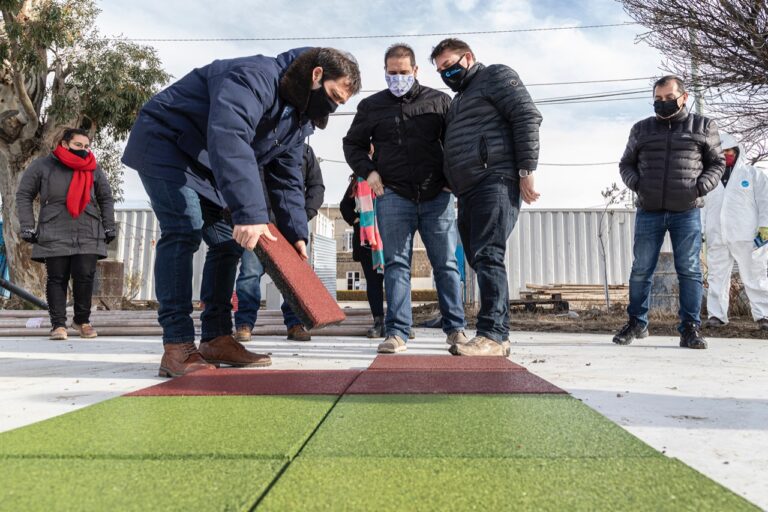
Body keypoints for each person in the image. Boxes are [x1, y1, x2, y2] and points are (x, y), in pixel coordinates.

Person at [121, 48, 361, 377]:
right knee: (185, 228)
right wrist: (248, 212)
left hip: (206, 163)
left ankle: (216, 338)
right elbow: (229, 137)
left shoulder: (298, 120)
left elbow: (286, 180)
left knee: (228, 243)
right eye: (333, 96)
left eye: (340, 104)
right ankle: (177, 346)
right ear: (317, 75)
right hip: (167, 143)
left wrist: (295, 236)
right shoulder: (254, 77)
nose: (332, 107)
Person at [343, 43, 466, 354]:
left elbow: (455, 144)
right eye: (392, 73)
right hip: (393, 196)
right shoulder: (371, 107)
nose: (398, 78)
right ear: (385, 72)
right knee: (396, 265)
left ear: (415, 71)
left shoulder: (439, 101)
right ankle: (397, 332)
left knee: (447, 264)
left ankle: (456, 330)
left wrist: (452, 182)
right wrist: (369, 172)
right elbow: (352, 145)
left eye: (403, 72)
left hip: (437, 196)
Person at [430, 38, 542, 356]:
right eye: (440, 70)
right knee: (479, 258)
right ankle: (497, 334)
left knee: (489, 254)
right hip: (467, 189)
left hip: (496, 179)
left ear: (469, 58)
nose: (446, 73)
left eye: (450, 66)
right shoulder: (458, 101)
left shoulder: (495, 76)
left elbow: (526, 116)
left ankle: (493, 334)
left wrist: (526, 169)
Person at [614, 75, 724, 349]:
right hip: (649, 210)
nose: (662, 103)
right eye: (658, 100)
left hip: (686, 210)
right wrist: (638, 185)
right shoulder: (641, 129)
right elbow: (625, 164)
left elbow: (717, 164)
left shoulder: (703, 126)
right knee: (641, 269)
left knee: (689, 270)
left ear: (684, 97)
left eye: (668, 98)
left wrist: (699, 188)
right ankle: (637, 323)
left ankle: (690, 328)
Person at [16, 128, 116, 341]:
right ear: (64, 144)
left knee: (85, 275)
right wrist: (27, 225)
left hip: (88, 228)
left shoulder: (93, 168)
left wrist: (109, 226)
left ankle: (82, 321)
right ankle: (58, 325)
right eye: (78, 145)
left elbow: (105, 198)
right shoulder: (42, 166)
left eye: (87, 146)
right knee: (57, 277)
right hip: (54, 228)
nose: (83, 150)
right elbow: (24, 194)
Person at [234, 143, 325, 343]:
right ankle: (244, 324)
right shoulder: (256, 144)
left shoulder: (305, 152)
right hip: (259, 223)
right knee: (249, 274)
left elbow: (317, 186)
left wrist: (304, 214)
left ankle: (295, 324)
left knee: (294, 279)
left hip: (290, 227)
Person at [702, 132, 768, 331]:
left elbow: (766, 202)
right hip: (717, 235)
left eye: (729, 151)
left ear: (738, 151)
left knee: (755, 275)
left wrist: (765, 227)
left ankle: (763, 315)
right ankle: (717, 316)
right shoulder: (709, 179)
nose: (726, 154)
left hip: (748, 237)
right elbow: (701, 207)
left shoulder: (753, 175)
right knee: (717, 276)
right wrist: (701, 230)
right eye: (721, 152)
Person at [339, 175, 386, 338]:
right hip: (366, 240)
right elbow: (344, 206)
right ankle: (378, 322)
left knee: (396, 279)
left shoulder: (390, 171)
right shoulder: (358, 181)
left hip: (389, 236)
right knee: (373, 283)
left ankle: (400, 323)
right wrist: (358, 220)